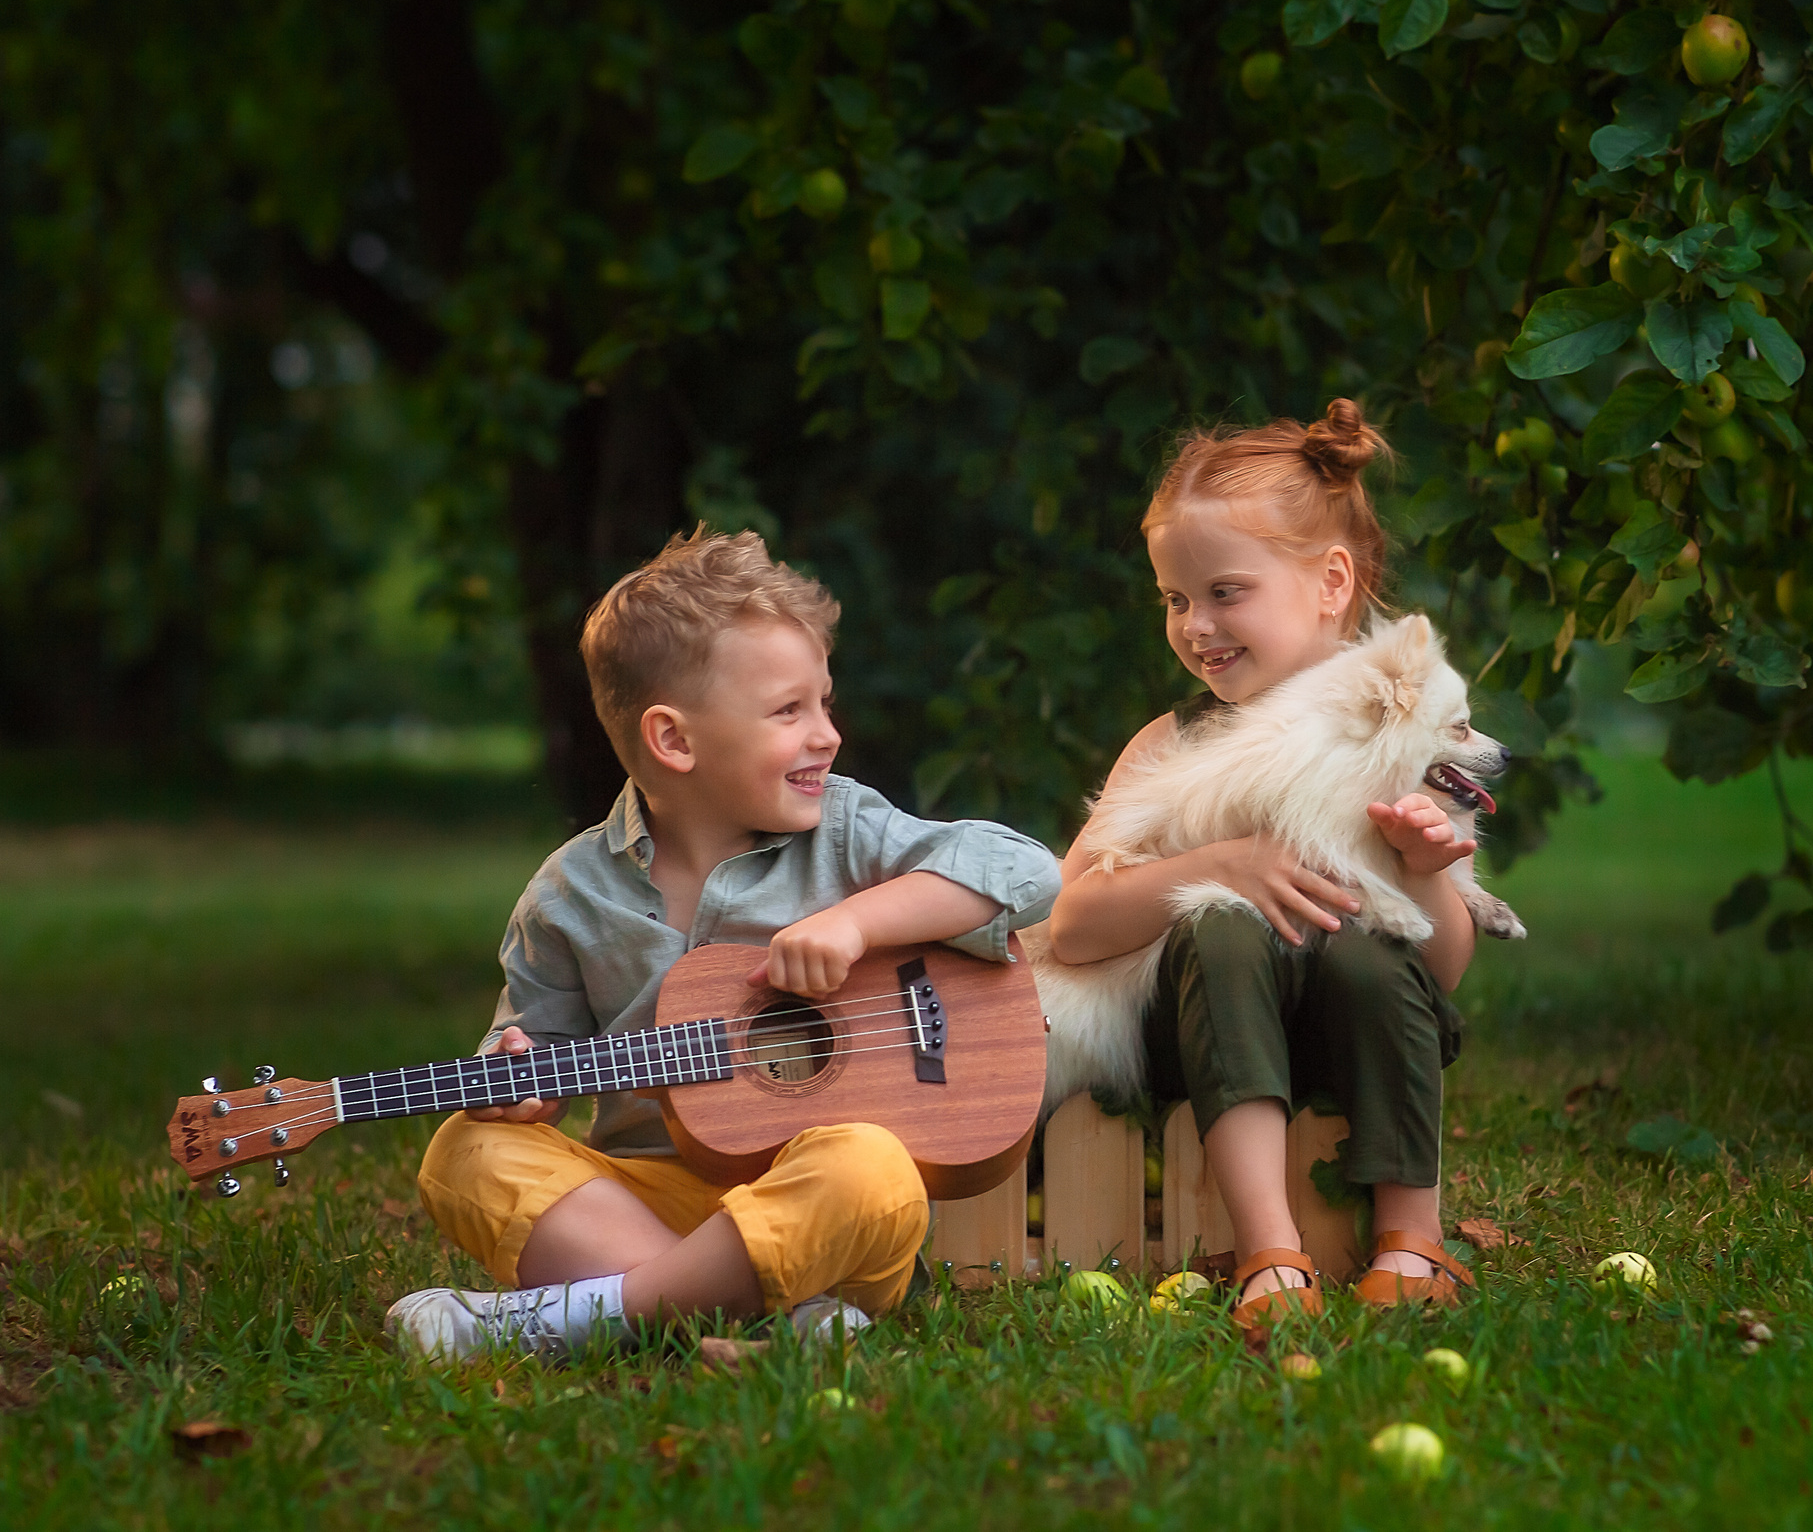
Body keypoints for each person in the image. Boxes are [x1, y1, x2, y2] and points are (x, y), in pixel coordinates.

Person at [388, 528, 1060, 1361]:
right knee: (466, 1150)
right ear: (674, 740)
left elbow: (1025, 870)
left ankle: (570, 1322)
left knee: (873, 1167)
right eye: (790, 710)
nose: (829, 734)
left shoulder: (845, 829)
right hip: (644, 1199)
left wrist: (854, 923)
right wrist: (514, 1073)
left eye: (824, 700)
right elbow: (533, 1045)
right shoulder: (569, 897)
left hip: (817, 1207)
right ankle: (760, 1320)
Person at [1046, 398, 1480, 1324]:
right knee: (1221, 921)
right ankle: (1268, 1249)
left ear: (1331, 582)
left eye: (1224, 592)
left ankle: (1413, 1235)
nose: (1196, 625)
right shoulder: (1169, 743)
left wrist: (1424, 869)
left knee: (1373, 950)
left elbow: (1439, 970)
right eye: (1175, 599)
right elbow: (1070, 924)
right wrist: (1227, 861)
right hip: (1209, 1040)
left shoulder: (1396, 731)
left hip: (1353, 1047)